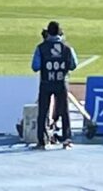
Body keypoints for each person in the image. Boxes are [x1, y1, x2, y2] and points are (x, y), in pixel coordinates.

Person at [31, 20, 78, 149]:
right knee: (64, 112)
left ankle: (42, 140)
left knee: (43, 111)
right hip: (61, 82)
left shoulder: (41, 48)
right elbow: (74, 65)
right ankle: (67, 139)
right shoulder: (67, 48)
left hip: (46, 83)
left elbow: (35, 66)